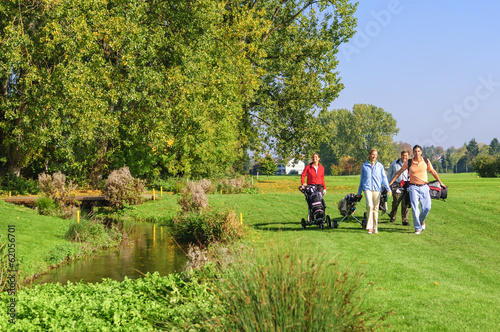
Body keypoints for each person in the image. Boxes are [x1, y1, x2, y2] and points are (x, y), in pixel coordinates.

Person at [389, 145, 446, 235]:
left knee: (427, 207)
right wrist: (391, 182)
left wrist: (440, 182)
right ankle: (417, 228)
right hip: (413, 187)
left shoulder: (426, 161)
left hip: (424, 187)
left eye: (418, 151)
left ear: (421, 152)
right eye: (415, 151)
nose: (417, 153)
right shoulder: (409, 162)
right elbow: (399, 172)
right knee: (415, 208)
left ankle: (421, 221)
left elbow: (433, 172)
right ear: (413, 152)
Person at [356, 149, 391, 234]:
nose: (374, 156)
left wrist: (388, 188)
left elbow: (384, 178)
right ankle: (370, 227)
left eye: (375, 155)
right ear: (369, 155)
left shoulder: (380, 166)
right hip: (367, 188)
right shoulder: (365, 166)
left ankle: (375, 227)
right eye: (372, 154)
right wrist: (359, 192)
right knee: (370, 206)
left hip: (377, 189)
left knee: (375, 208)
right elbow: (362, 180)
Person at [387, 150, 410, 225]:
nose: (404, 157)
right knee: (396, 201)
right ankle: (393, 216)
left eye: (406, 155)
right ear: (401, 155)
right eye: (403, 155)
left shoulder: (410, 164)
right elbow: (390, 174)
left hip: (407, 185)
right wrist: (388, 184)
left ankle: (405, 220)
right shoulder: (394, 163)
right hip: (396, 185)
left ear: (408, 156)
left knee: (405, 203)